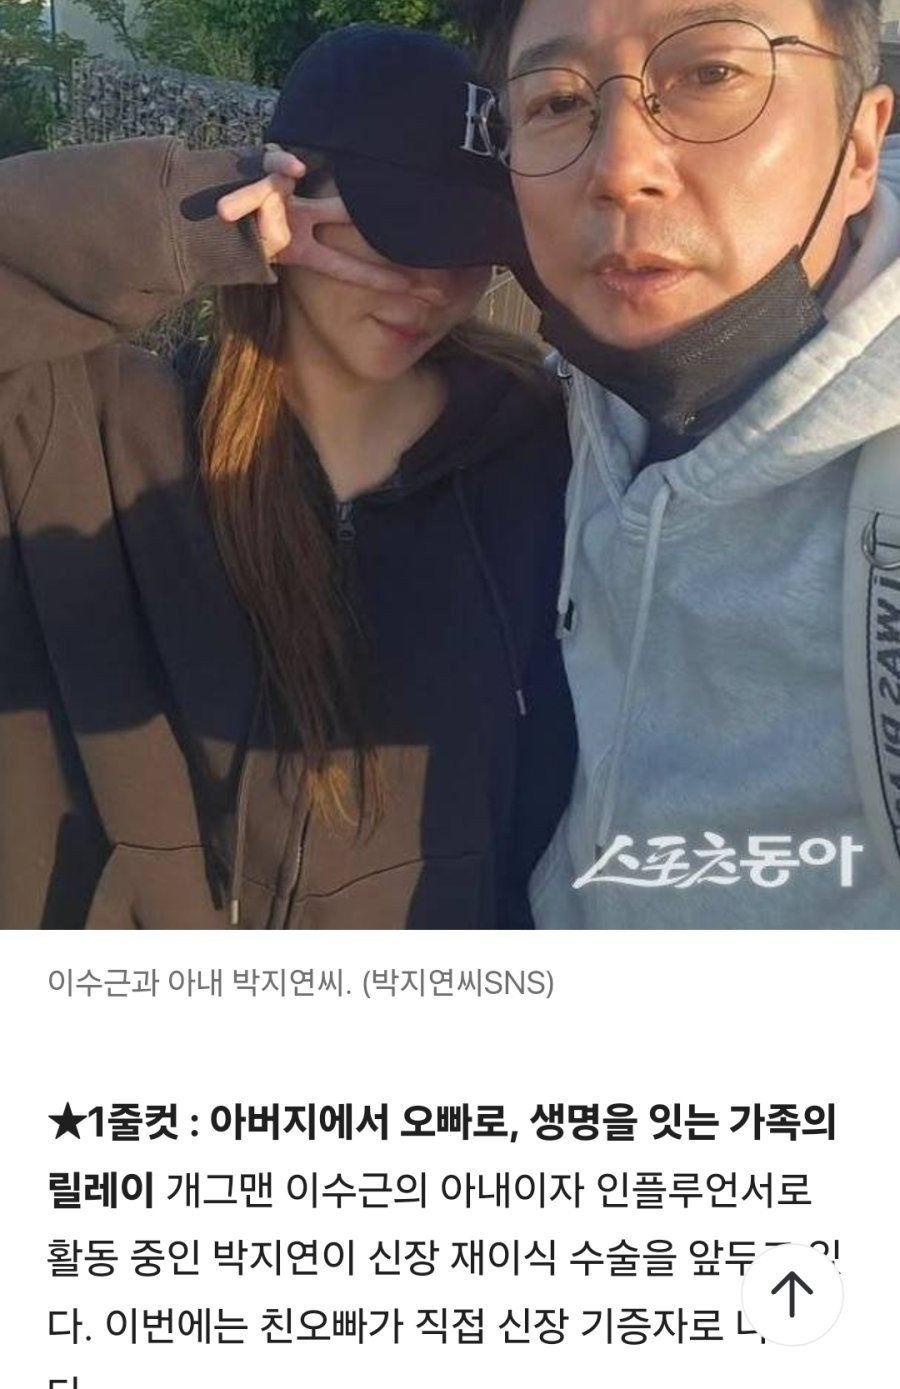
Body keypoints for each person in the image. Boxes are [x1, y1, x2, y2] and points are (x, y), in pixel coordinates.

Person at [0, 23, 575, 930]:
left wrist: (577, 294)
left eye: (471, 245)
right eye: (398, 232)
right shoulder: (86, 435)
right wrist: (192, 215)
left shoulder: (545, 456)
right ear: (284, 194)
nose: (432, 285)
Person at [457, 0, 900, 926]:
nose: (621, 169)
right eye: (556, 102)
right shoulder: (579, 394)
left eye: (711, 74)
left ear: (860, 147)